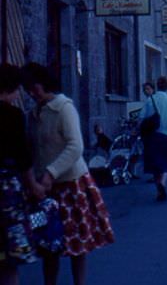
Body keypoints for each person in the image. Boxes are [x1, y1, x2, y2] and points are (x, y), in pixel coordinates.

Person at [21, 62, 114, 285]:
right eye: (29, 90)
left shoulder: (64, 108)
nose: (32, 94)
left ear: (43, 84)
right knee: (47, 243)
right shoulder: (33, 114)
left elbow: (75, 146)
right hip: (45, 189)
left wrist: (50, 173)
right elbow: (32, 149)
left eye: (34, 88)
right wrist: (34, 180)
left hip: (71, 184)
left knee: (77, 242)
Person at [0, 63, 45, 285]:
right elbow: (22, 154)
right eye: (16, 89)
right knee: (9, 260)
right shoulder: (12, 115)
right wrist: (34, 186)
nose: (18, 94)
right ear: (8, 88)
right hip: (6, 191)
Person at [139, 77, 167, 202]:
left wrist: (139, 130)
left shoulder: (150, 100)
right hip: (166, 134)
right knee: (166, 162)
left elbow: (142, 117)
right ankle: (163, 182)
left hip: (152, 135)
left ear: (157, 86)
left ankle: (158, 191)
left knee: (154, 164)